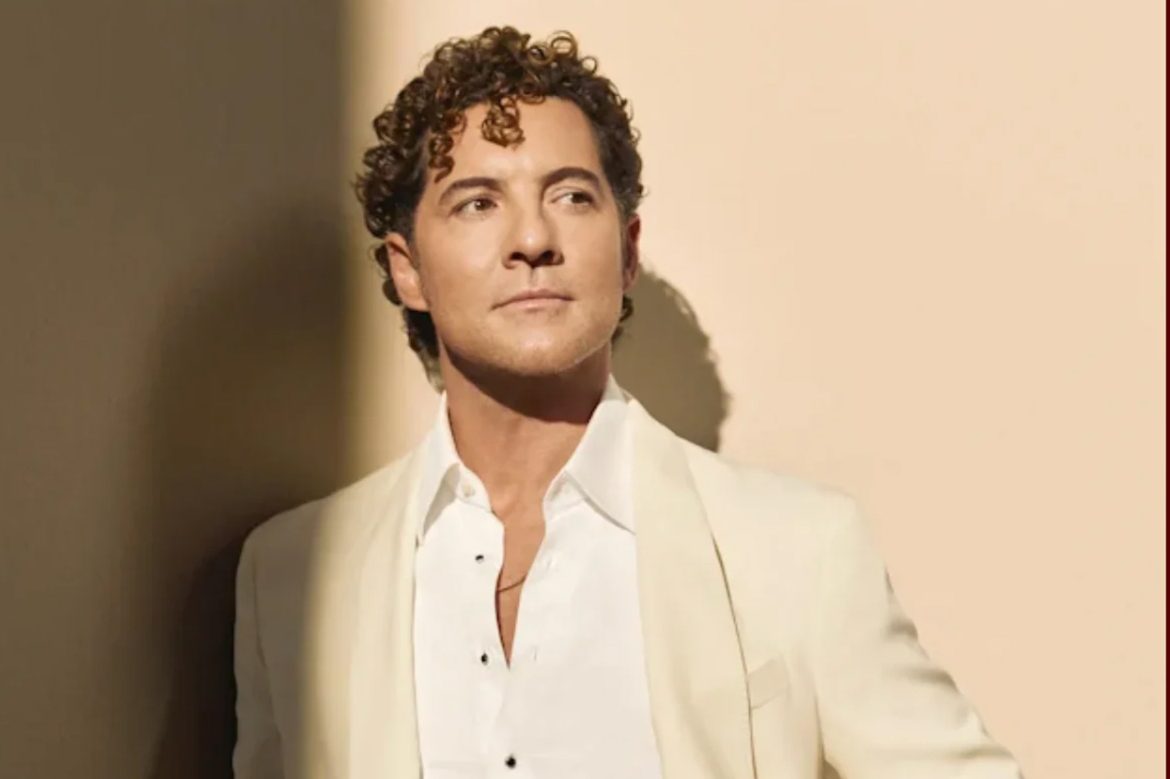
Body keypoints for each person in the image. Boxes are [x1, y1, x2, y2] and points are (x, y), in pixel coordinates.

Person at [232, 25, 1024, 779]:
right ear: (407, 269)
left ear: (628, 249)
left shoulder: (798, 550)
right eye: (477, 202)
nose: (532, 239)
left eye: (572, 196)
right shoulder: (292, 573)